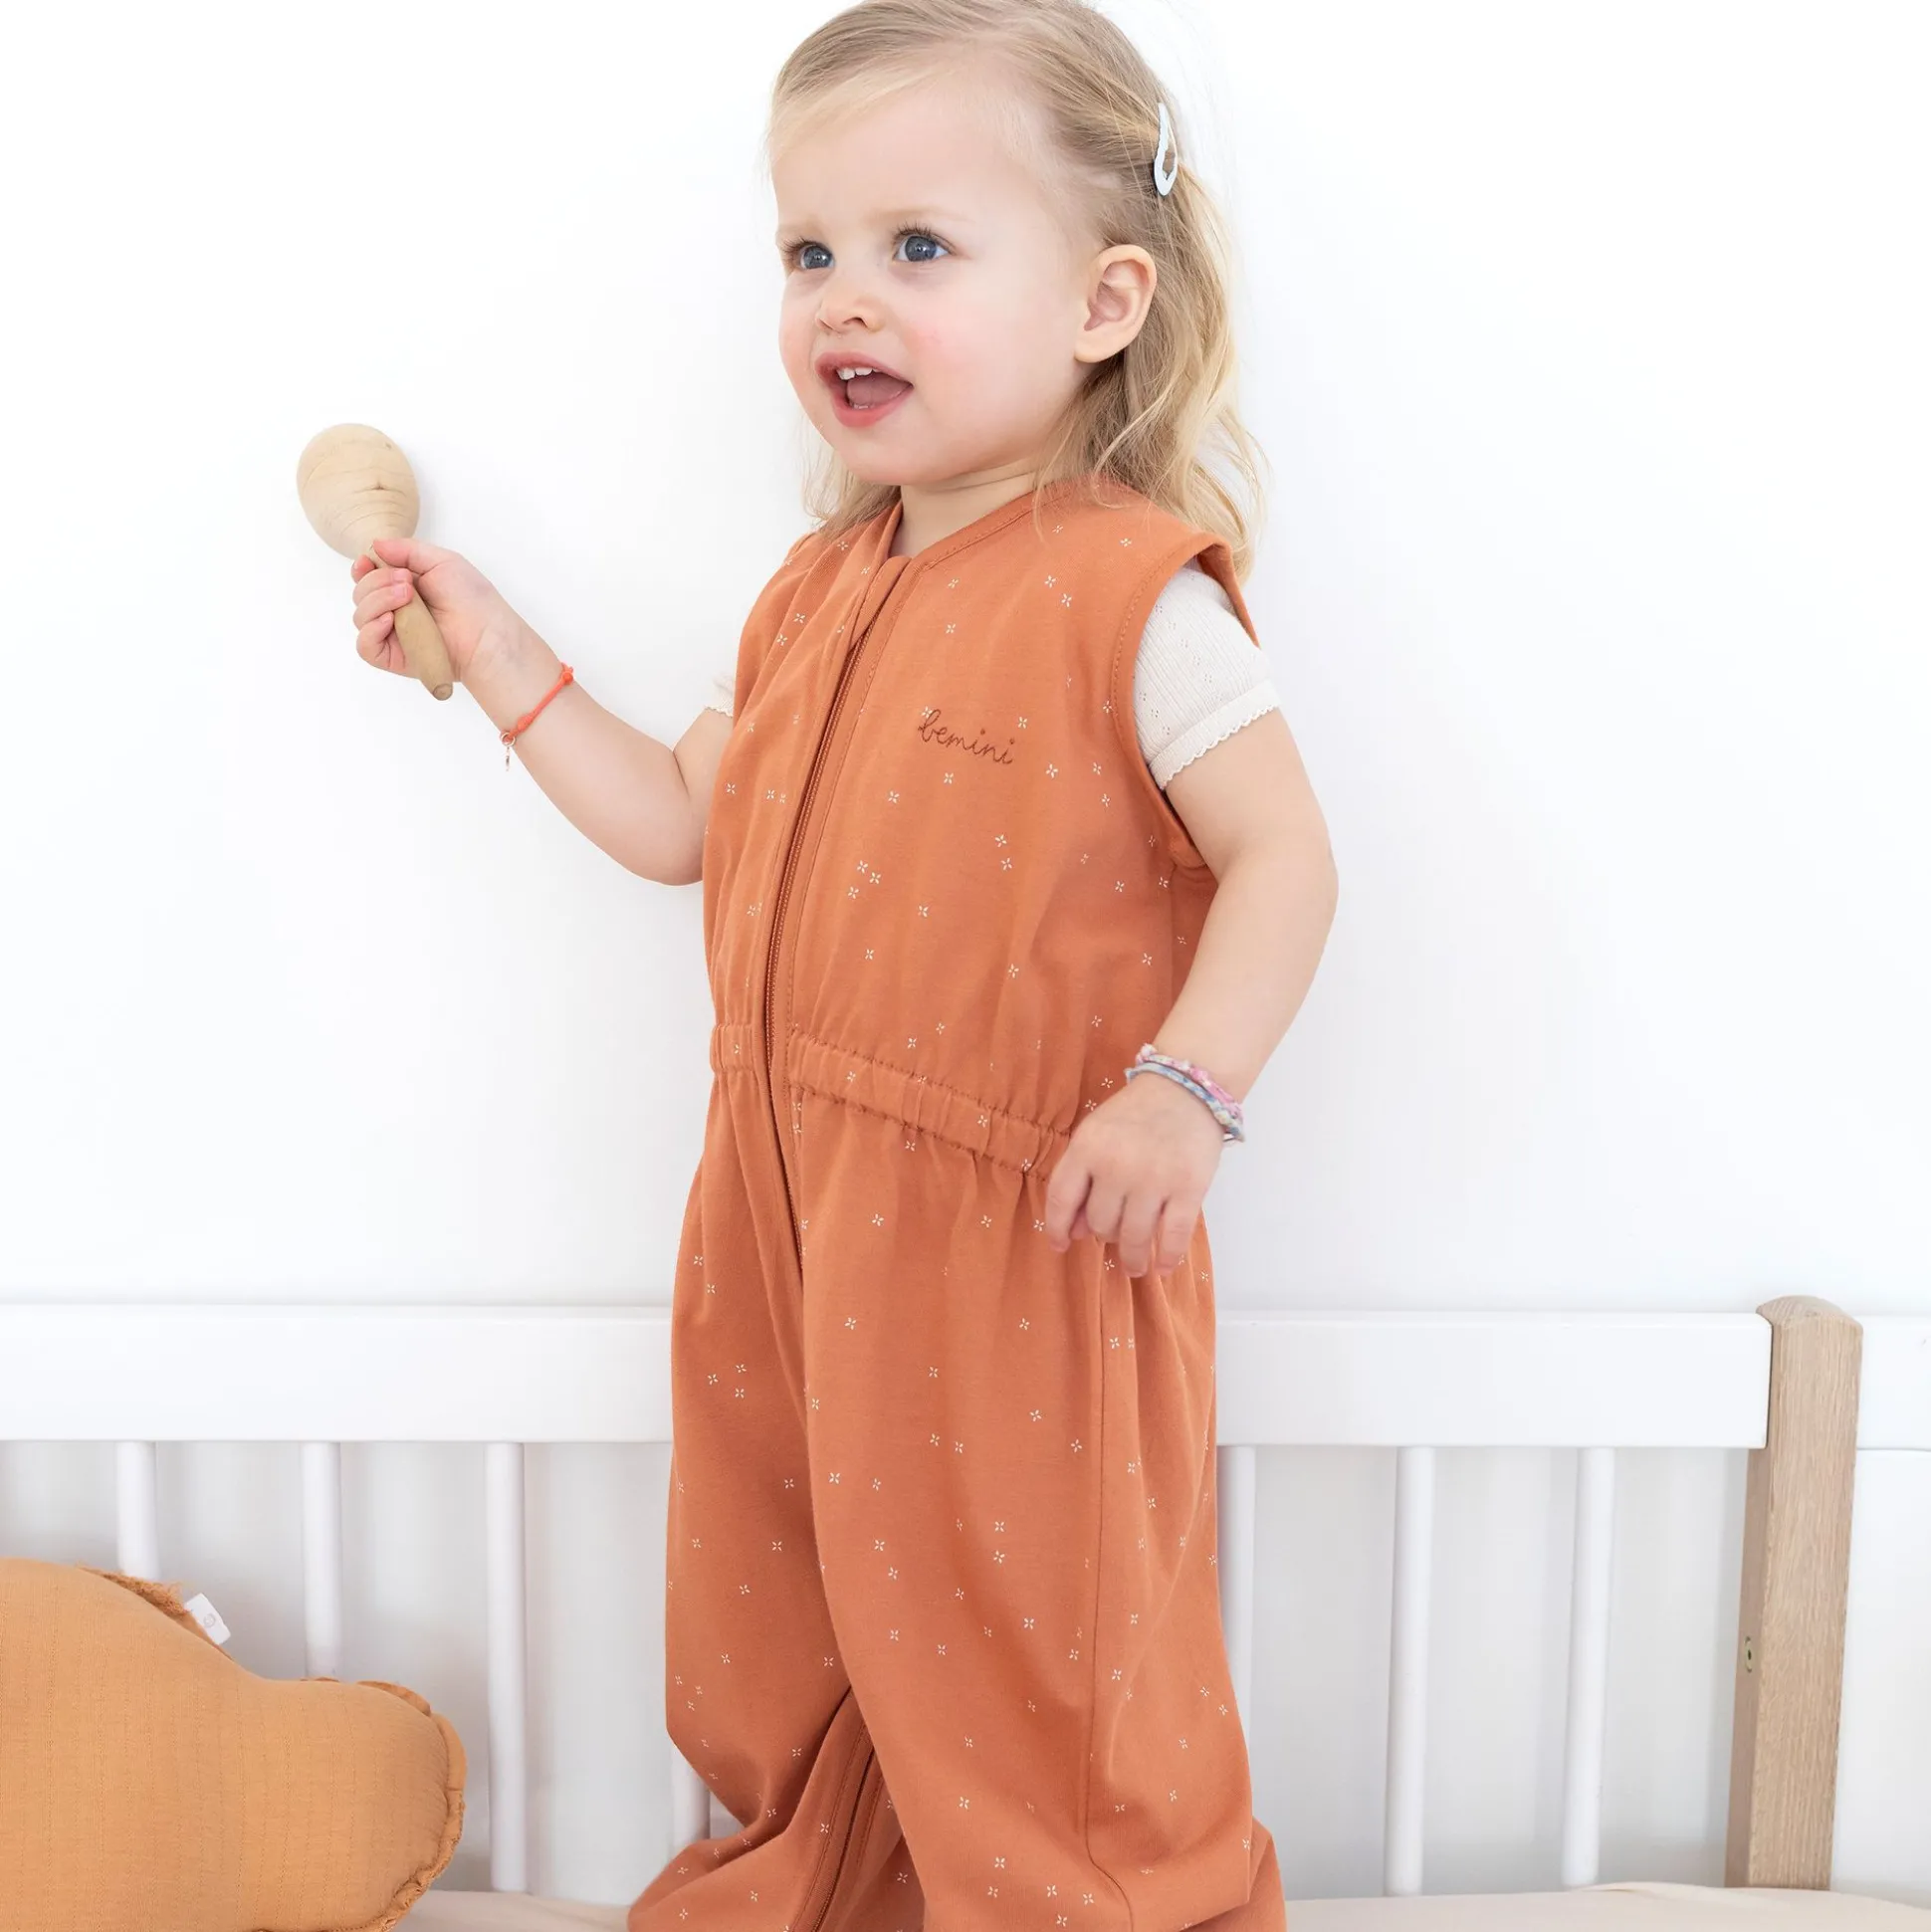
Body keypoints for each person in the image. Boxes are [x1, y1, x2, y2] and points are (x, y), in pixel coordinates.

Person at [349, 3, 1337, 1924]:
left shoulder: (1130, 594)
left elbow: (1285, 857)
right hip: (786, 1207)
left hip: (1021, 1242)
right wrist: (490, 650)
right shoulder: (816, 593)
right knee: (786, 1615)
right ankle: (837, 1891)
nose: (843, 300)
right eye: (809, 251)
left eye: (918, 247)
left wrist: (1185, 1090)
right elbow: (678, 820)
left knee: (1034, 1646)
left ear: (1103, 302)